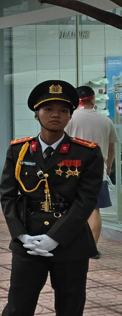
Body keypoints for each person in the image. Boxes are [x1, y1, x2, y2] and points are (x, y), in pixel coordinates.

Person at [0, 80, 102, 316]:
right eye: (47, 108)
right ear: (36, 113)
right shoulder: (19, 150)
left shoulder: (87, 152)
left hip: (69, 244)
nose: (55, 114)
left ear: (70, 115)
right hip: (28, 242)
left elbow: (86, 201)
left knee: (69, 311)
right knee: (17, 310)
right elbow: (7, 196)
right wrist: (20, 235)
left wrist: (56, 237)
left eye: (62, 110)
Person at [67, 85, 116, 257]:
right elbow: (111, 149)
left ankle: (68, 245)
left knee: (68, 208)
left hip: (70, 170)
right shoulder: (106, 121)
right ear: (93, 98)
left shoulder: (70, 118)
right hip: (97, 171)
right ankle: (92, 249)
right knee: (94, 210)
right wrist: (108, 167)